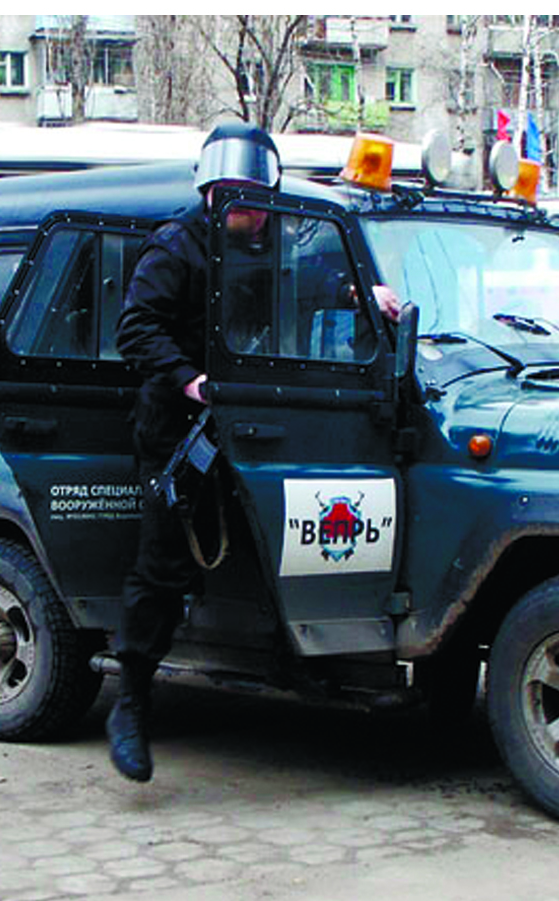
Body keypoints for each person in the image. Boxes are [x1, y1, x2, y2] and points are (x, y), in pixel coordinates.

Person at [109, 124, 400, 785]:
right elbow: (136, 327)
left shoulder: (271, 244)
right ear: (213, 196)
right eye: (239, 201)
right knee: (161, 567)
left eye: (257, 201)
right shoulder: (175, 248)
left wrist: (359, 295)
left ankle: (286, 662)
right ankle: (130, 702)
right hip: (179, 428)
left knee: (271, 543)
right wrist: (191, 378)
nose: (253, 214)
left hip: (255, 420)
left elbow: (305, 284)